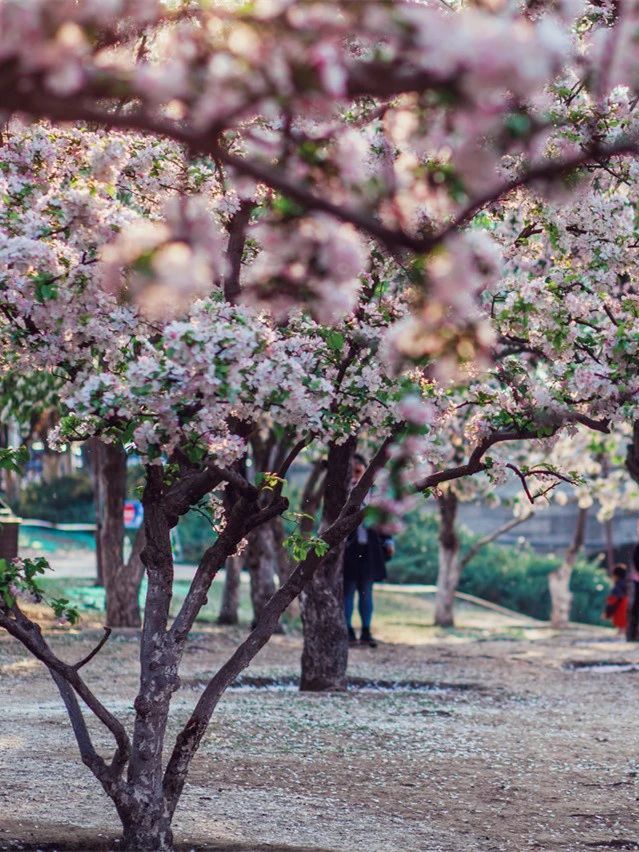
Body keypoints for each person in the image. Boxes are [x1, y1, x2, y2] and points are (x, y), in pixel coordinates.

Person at [343, 453, 394, 648]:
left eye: (358, 470)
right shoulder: (343, 493)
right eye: (352, 471)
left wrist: (389, 541)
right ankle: (347, 630)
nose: (356, 475)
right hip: (348, 550)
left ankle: (366, 630)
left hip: (371, 549)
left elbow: (385, 521)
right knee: (347, 591)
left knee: (366, 591)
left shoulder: (375, 494)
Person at [605, 564, 628, 636]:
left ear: (616, 576)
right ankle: (622, 630)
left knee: (621, 618)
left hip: (622, 605)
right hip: (628, 604)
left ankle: (621, 631)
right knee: (625, 619)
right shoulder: (627, 582)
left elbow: (614, 598)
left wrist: (607, 611)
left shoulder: (618, 584)